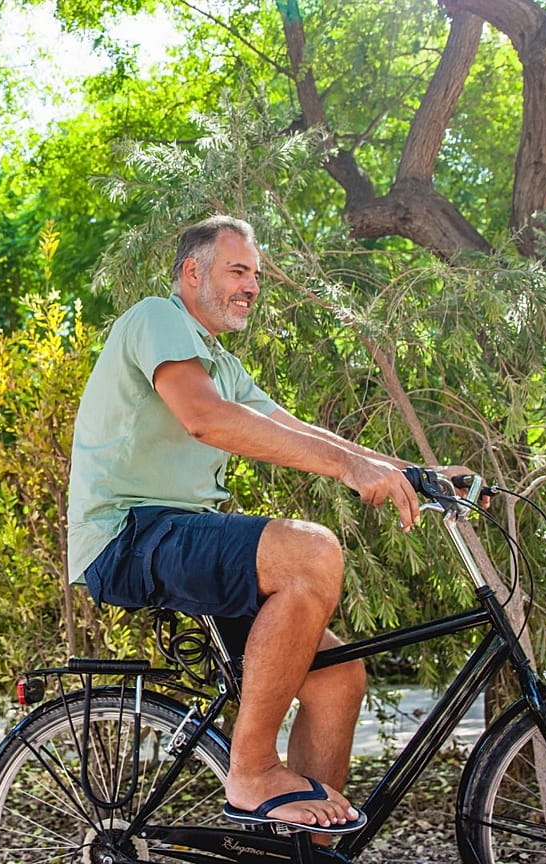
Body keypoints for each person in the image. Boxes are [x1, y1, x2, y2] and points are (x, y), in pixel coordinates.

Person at [68, 215, 453, 837]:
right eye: (238, 271)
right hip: (126, 535)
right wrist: (349, 468)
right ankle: (251, 773)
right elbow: (205, 418)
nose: (252, 286)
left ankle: (306, 848)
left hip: (177, 532)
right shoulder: (156, 317)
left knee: (337, 676)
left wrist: (411, 473)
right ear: (192, 273)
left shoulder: (219, 361)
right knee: (310, 553)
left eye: (256, 276)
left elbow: (288, 426)